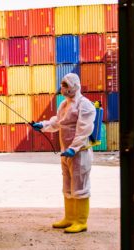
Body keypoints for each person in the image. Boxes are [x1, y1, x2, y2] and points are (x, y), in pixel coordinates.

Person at [32, 73, 96, 233]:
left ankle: (81, 221)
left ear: (75, 86)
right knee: (68, 185)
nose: (63, 88)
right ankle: (69, 218)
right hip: (66, 153)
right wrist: (43, 124)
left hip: (80, 153)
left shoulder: (85, 105)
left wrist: (73, 148)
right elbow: (57, 122)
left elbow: (84, 129)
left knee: (80, 186)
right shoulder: (64, 105)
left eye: (66, 84)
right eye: (62, 84)